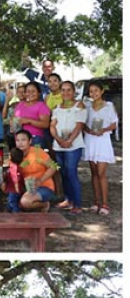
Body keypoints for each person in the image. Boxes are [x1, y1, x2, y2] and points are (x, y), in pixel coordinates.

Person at [50, 81, 87, 214]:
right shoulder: (57, 108)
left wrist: (70, 140)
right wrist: (58, 139)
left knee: (71, 172)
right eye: (63, 90)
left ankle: (77, 204)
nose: (66, 93)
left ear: (74, 91)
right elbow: (52, 125)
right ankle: (68, 199)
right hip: (59, 145)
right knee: (63, 173)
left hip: (73, 145)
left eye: (69, 90)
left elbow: (79, 126)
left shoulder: (79, 105)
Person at [83, 80, 119, 216]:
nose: (93, 94)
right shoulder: (87, 106)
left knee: (101, 173)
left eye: (96, 91)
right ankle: (96, 201)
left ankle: (105, 204)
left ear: (102, 91)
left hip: (102, 141)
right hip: (90, 140)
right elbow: (83, 123)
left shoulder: (109, 106)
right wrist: (89, 130)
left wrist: (103, 130)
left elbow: (114, 124)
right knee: (93, 173)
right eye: (91, 91)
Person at [13, 129, 58, 212]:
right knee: (15, 203)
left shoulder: (37, 152)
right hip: (27, 187)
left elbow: (53, 167)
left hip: (44, 186)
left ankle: (45, 204)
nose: (20, 143)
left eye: (23, 140)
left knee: (25, 202)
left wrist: (40, 180)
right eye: (17, 140)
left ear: (30, 141)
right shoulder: (14, 154)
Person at [13, 81, 52, 149]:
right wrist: (12, 122)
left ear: (39, 93)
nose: (30, 94)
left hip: (35, 138)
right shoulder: (20, 104)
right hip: (20, 139)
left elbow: (45, 124)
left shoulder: (41, 106)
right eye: (28, 91)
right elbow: (15, 119)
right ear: (25, 93)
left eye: (33, 91)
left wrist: (29, 121)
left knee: (36, 156)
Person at [3, 146, 26, 212]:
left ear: (11, 157)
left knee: (12, 201)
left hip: (13, 189)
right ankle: (7, 212)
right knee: (10, 202)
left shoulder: (13, 167)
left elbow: (15, 179)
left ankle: (16, 213)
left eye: (9, 155)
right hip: (15, 189)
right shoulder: (18, 167)